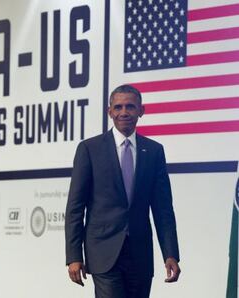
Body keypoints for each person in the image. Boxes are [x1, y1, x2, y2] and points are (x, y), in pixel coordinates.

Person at [65, 85, 181, 298]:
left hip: (140, 255)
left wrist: (171, 253)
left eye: (130, 106)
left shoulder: (154, 151)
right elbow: (75, 208)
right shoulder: (89, 149)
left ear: (141, 111)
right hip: (103, 252)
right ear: (110, 112)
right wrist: (74, 256)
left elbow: (163, 209)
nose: (124, 112)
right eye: (118, 107)